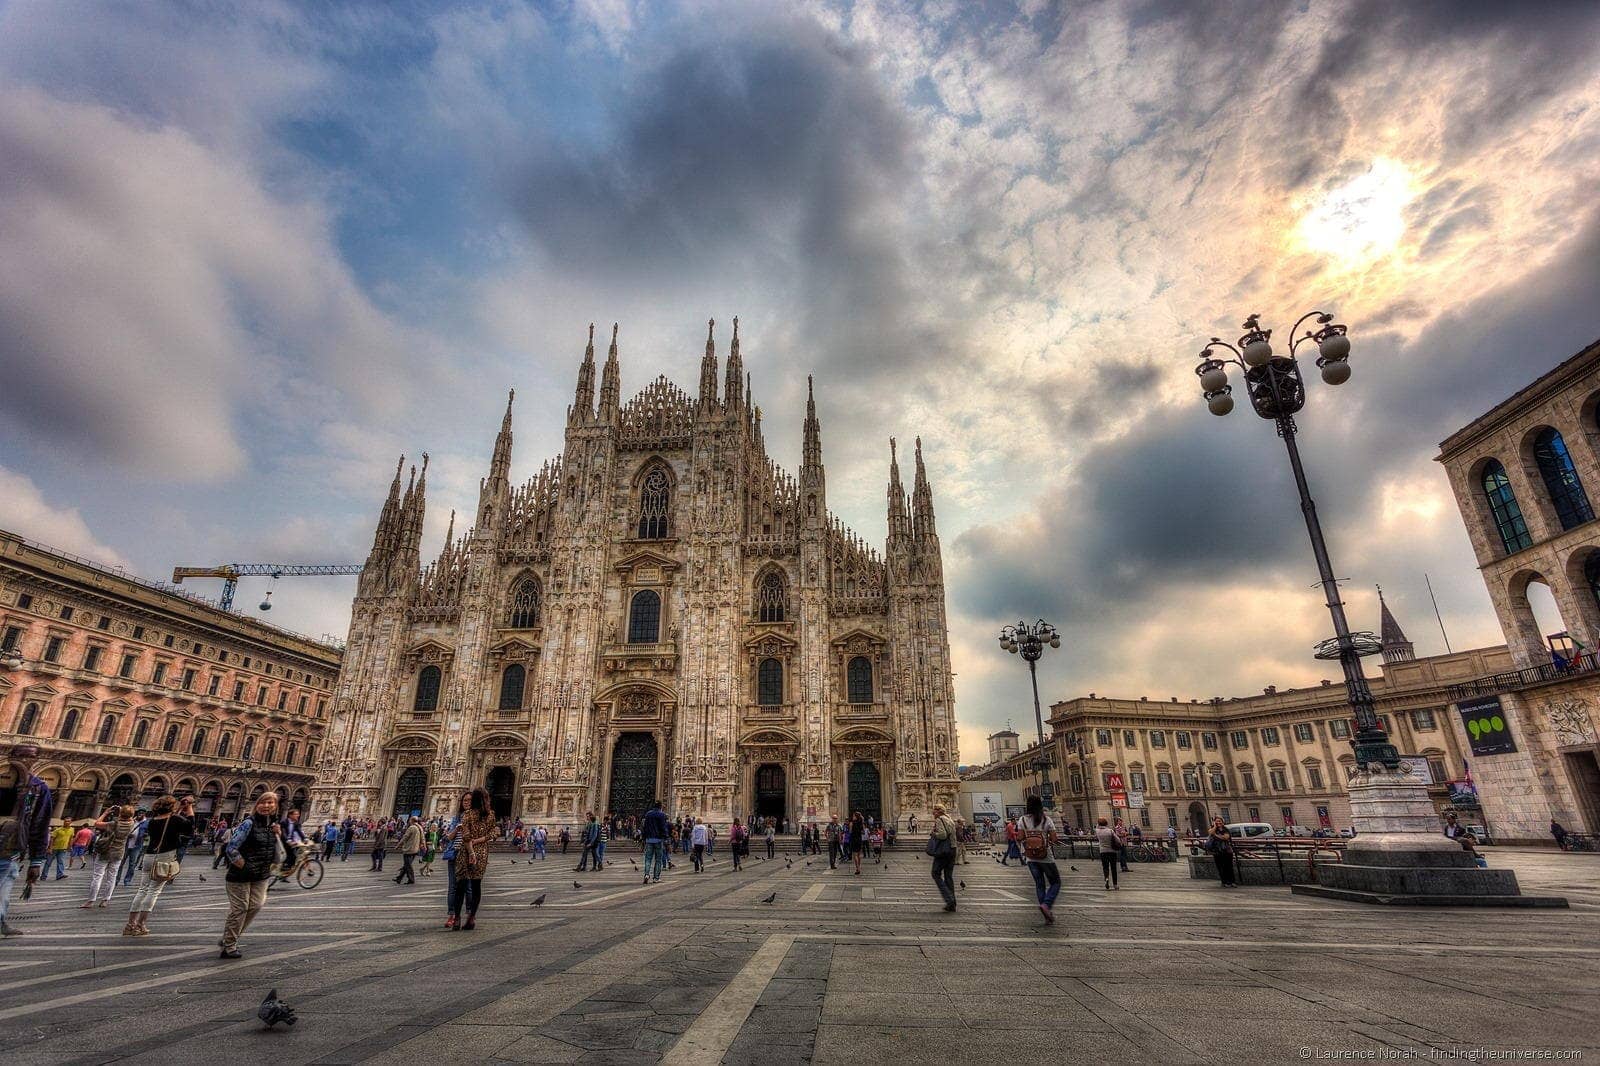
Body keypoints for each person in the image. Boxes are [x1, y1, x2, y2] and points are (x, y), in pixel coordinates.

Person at [219, 792, 283, 958]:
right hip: (241, 875)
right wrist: (243, 865)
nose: (267, 806)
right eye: (263, 802)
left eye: (270, 803)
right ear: (257, 805)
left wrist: (278, 835)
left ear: (275, 806)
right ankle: (229, 946)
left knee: (256, 906)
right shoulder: (248, 823)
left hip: (261, 875)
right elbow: (231, 847)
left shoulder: (274, 826)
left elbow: (277, 851)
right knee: (240, 909)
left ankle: (230, 936)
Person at [1, 742, 53, 937]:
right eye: (20, 755)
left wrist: (36, 860)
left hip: (10, 849)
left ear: (35, 761)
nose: (24, 760)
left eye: (29, 756)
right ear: (10, 756)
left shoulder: (38, 788)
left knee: (4, 887)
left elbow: (40, 823)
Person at [125, 794, 194, 936]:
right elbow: (190, 826)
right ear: (171, 807)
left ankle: (130, 925)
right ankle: (140, 924)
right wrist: (190, 807)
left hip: (149, 856)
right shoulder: (174, 819)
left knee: (142, 890)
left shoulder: (152, 821)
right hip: (165, 856)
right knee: (153, 891)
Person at [451, 788, 495, 931]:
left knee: (460, 887)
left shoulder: (467, 815)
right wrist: (479, 841)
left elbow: (466, 836)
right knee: (476, 887)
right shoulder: (490, 815)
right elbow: (493, 834)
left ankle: (456, 919)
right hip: (482, 853)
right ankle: (471, 918)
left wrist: (471, 851)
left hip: (466, 853)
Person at [1018, 795, 1061, 924]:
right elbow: (1054, 839)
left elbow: (1020, 837)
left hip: (1031, 857)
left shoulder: (1022, 820)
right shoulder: (1046, 820)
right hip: (1045, 856)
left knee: (1039, 884)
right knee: (1055, 882)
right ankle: (1047, 905)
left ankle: (1045, 910)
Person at [82, 804, 134, 908]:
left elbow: (97, 823)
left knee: (97, 876)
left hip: (105, 852)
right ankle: (105, 900)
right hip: (118, 853)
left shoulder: (113, 824)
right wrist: (123, 812)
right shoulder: (131, 824)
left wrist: (106, 812)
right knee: (112, 878)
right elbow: (130, 817)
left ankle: (91, 900)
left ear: (120, 814)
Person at [928, 804, 957, 911]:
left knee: (935, 873)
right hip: (953, 850)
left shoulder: (939, 819)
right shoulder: (950, 819)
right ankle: (952, 903)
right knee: (948, 877)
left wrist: (933, 834)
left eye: (934, 811)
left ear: (939, 811)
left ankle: (949, 899)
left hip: (944, 851)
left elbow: (943, 835)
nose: (932, 813)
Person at [641, 799, 670, 884]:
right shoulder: (662, 815)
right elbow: (663, 828)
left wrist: (644, 838)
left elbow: (645, 827)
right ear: (660, 806)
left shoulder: (648, 814)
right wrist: (666, 838)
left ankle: (646, 875)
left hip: (649, 839)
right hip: (658, 839)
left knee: (648, 859)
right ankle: (656, 878)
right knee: (658, 859)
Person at [1206, 817, 1236, 888]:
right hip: (1217, 851)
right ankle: (1224, 882)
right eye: (1216, 822)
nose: (1218, 823)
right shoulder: (1213, 829)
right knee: (1220, 867)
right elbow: (1210, 832)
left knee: (1229, 867)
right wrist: (1215, 826)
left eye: (1219, 821)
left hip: (1227, 850)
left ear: (1223, 822)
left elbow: (1225, 837)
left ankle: (1232, 881)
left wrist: (1216, 835)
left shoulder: (1226, 829)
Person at [1095, 818, 1121, 890]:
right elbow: (1118, 840)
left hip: (1103, 851)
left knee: (1105, 867)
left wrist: (1098, 825)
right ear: (1106, 823)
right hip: (1112, 851)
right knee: (1113, 868)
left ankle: (1106, 878)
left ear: (1099, 824)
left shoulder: (1097, 831)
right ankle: (1115, 885)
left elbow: (1097, 828)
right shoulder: (1110, 831)